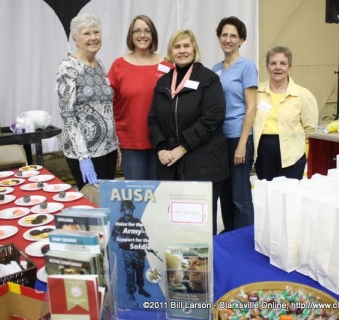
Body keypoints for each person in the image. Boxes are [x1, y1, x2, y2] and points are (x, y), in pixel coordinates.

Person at [148, 29, 229, 235]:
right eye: (177, 46)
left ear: (194, 49)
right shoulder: (163, 82)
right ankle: (177, 265)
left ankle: (203, 266)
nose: (182, 51)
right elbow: (153, 118)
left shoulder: (208, 79)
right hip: (170, 163)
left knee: (199, 224)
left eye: (186, 45)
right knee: (174, 222)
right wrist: (161, 147)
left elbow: (212, 118)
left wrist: (183, 147)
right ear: (171, 51)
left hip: (203, 162)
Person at [55, 13, 119, 191]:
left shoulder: (100, 65)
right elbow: (67, 115)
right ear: (75, 39)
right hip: (85, 153)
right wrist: (83, 157)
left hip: (109, 149)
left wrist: (115, 143)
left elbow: (107, 108)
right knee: (94, 204)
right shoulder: (68, 67)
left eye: (96, 32)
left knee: (107, 202)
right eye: (87, 34)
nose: (93, 38)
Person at [108, 15, 172, 180]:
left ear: (153, 35)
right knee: (138, 200)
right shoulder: (118, 66)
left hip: (162, 144)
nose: (142, 35)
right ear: (131, 35)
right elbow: (108, 106)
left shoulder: (167, 66)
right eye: (137, 30)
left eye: (147, 30)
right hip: (130, 144)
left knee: (159, 198)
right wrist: (114, 142)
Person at [212, 16, 258, 232]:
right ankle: (230, 236)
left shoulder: (247, 67)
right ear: (219, 38)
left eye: (233, 36)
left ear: (241, 40)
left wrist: (242, 144)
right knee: (225, 195)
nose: (228, 39)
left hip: (239, 139)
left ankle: (246, 242)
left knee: (240, 196)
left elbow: (251, 107)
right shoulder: (214, 69)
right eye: (224, 35)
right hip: (219, 142)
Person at [253, 46, 318, 181]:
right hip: (262, 154)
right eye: (273, 63)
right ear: (267, 66)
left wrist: (291, 138)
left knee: (288, 197)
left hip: (292, 155)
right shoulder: (256, 92)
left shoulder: (303, 95)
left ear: (290, 67)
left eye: (283, 63)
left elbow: (310, 127)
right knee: (267, 195)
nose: (278, 67)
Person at [111, 200, 151, 301]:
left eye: (130, 209)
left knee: (140, 272)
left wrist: (145, 243)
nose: (128, 211)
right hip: (128, 252)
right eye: (126, 209)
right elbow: (114, 237)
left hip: (139, 252)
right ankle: (130, 293)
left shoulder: (137, 221)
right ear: (123, 211)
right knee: (130, 273)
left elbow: (144, 235)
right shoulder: (119, 223)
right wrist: (127, 238)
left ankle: (141, 288)